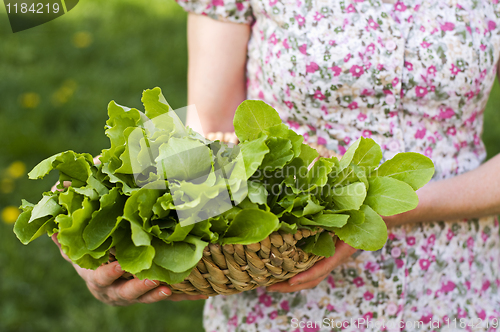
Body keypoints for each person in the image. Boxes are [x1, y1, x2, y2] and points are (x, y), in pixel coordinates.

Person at [55, 0, 500, 330]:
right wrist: (119, 236)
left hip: (457, 285)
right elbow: (213, 128)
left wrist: (380, 209)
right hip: (280, 277)